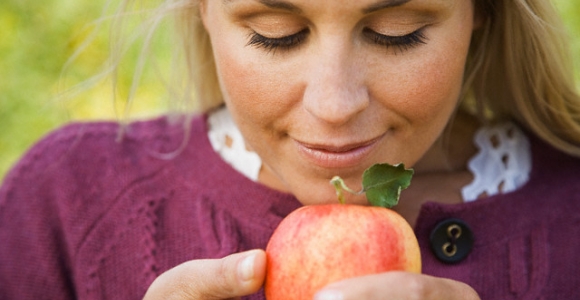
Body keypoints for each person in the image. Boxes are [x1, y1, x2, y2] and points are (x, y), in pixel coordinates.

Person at [1, 0, 579, 299]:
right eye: (275, 32)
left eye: (397, 30)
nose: (334, 104)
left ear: (483, 11)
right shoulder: (64, 201)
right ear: (205, 9)